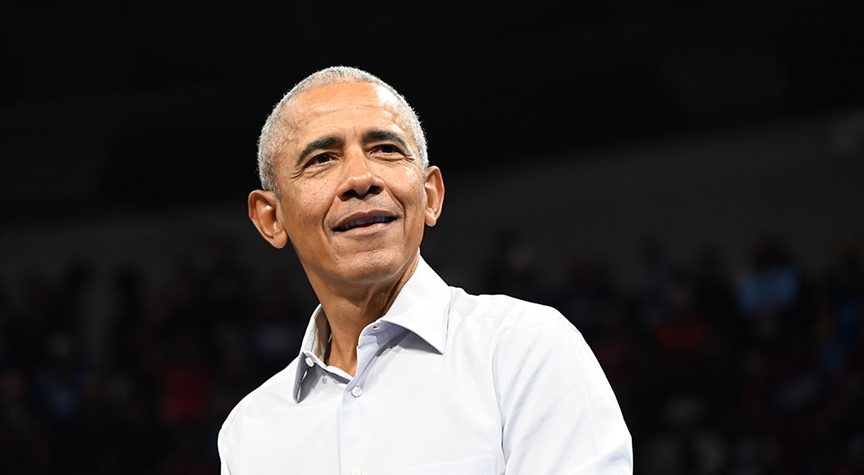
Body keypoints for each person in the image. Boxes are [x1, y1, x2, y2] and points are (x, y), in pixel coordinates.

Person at [218, 66, 632, 474]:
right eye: (322, 159)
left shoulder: (524, 349)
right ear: (271, 218)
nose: (361, 178)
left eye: (386, 149)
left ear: (431, 195)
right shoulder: (249, 433)